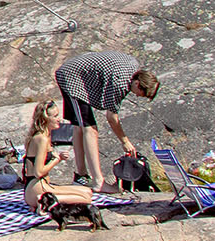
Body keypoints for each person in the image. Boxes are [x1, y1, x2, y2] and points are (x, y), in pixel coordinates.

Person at [52, 51, 159, 186]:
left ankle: (81, 175)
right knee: (90, 129)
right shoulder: (121, 83)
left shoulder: (133, 67)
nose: (137, 96)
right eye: (141, 94)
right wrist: (125, 141)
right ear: (137, 83)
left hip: (76, 74)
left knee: (79, 126)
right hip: (72, 78)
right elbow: (112, 118)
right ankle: (98, 182)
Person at [21, 100, 93, 213]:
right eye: (55, 116)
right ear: (45, 119)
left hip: (40, 186)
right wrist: (57, 159)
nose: (59, 119)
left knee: (88, 191)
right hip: (36, 187)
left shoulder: (44, 135)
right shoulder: (42, 139)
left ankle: (42, 202)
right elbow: (38, 172)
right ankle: (43, 202)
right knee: (86, 199)